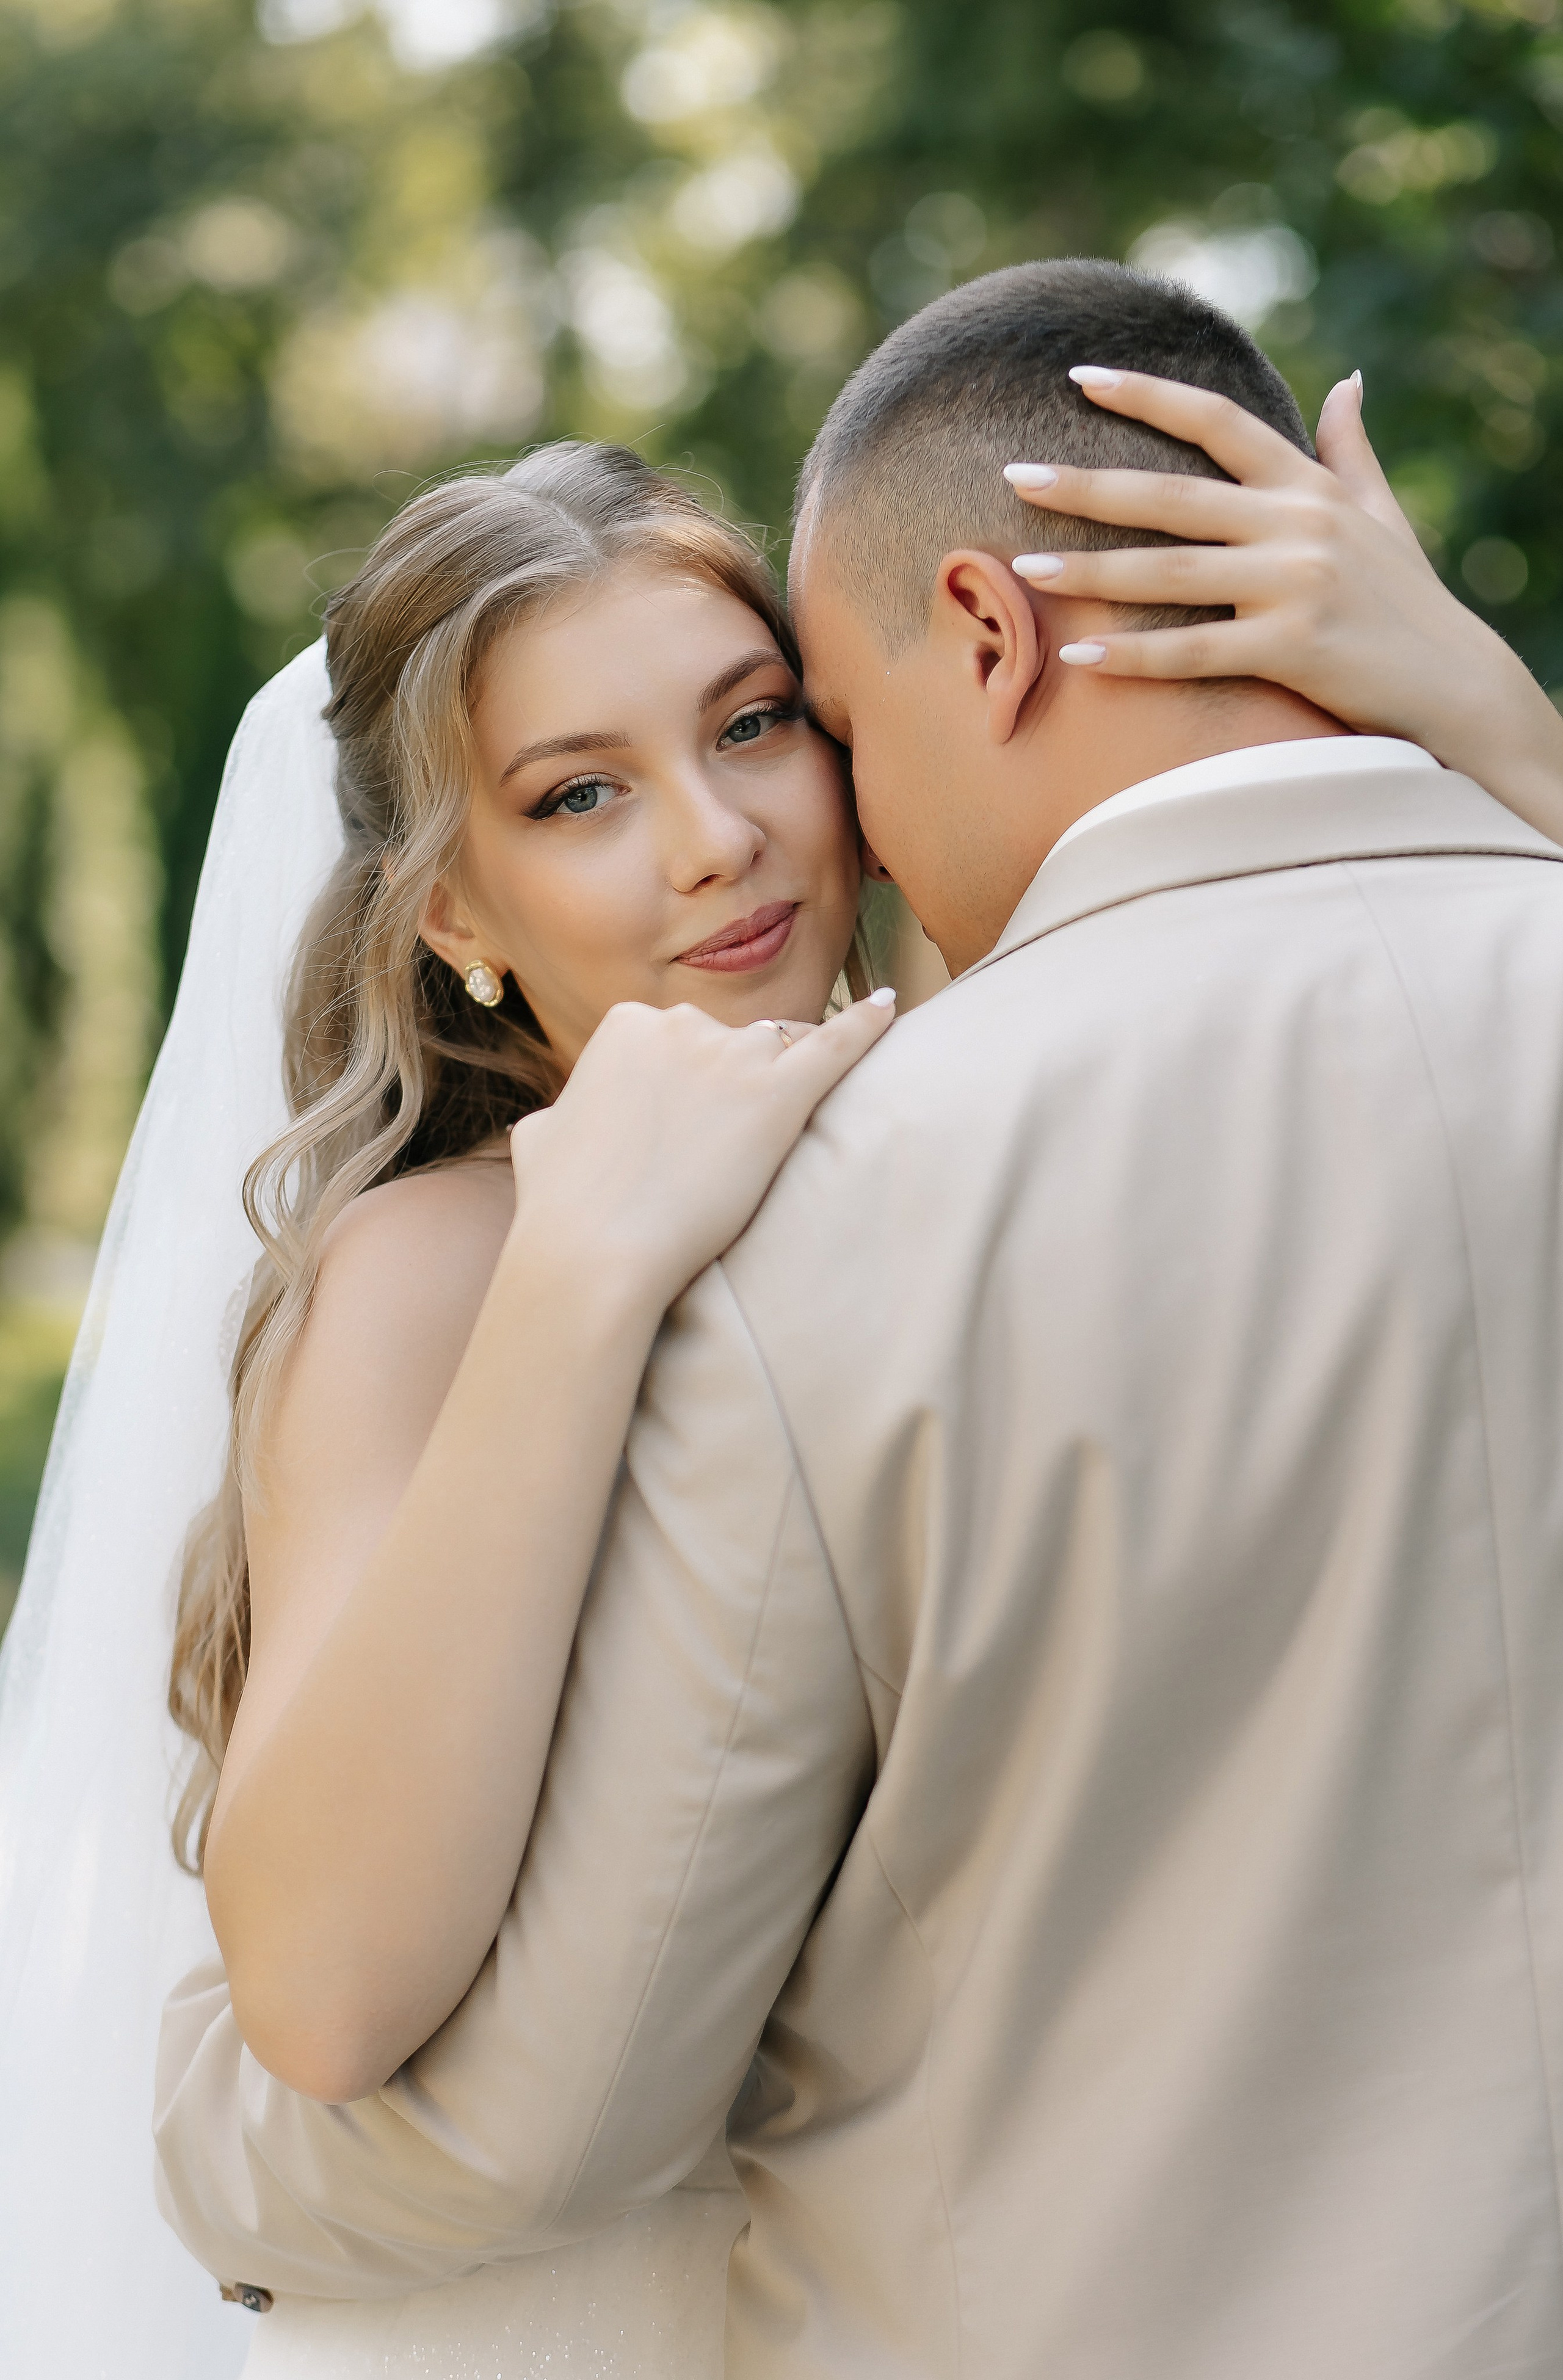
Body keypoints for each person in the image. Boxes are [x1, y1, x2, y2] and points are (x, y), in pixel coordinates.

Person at [3, 260, 1559, 2379]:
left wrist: (1485, 721)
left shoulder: (947, 1120)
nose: (721, 837)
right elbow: (329, 1997)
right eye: (580, 794)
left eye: (760, 725)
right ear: (449, 915)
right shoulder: (440, 1265)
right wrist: (580, 1268)